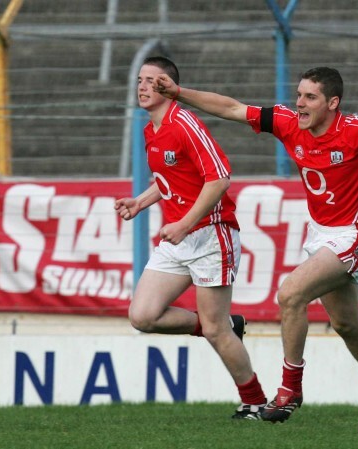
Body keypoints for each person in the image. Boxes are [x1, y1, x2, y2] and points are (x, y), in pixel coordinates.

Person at [153, 61, 358, 432]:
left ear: (333, 103)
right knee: (346, 323)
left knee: (290, 295)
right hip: (320, 234)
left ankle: (290, 389)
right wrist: (179, 93)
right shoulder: (287, 122)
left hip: (354, 233)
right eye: (298, 95)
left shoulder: (357, 131)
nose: (299, 103)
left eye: (310, 97)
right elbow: (233, 108)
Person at [114, 56, 267, 419]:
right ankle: (227, 326)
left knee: (215, 330)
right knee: (143, 316)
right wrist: (141, 201)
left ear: (169, 86)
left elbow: (219, 178)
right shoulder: (151, 130)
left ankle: (256, 402)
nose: (143, 86)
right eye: (140, 79)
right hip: (181, 238)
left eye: (153, 80)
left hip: (211, 235)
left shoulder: (185, 122)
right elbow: (171, 180)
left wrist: (183, 225)